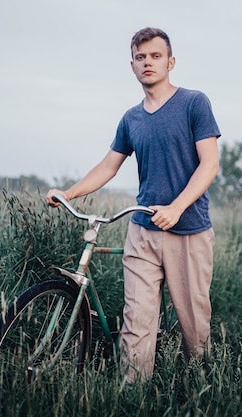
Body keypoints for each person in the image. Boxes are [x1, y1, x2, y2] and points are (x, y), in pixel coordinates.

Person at [46, 27, 220, 382]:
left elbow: (210, 164)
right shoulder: (131, 118)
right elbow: (109, 165)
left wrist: (176, 207)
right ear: (132, 65)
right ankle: (131, 394)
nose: (148, 63)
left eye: (156, 56)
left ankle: (199, 390)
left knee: (194, 325)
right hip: (142, 229)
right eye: (141, 57)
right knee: (136, 321)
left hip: (187, 230)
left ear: (170, 62)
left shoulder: (194, 103)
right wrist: (69, 193)